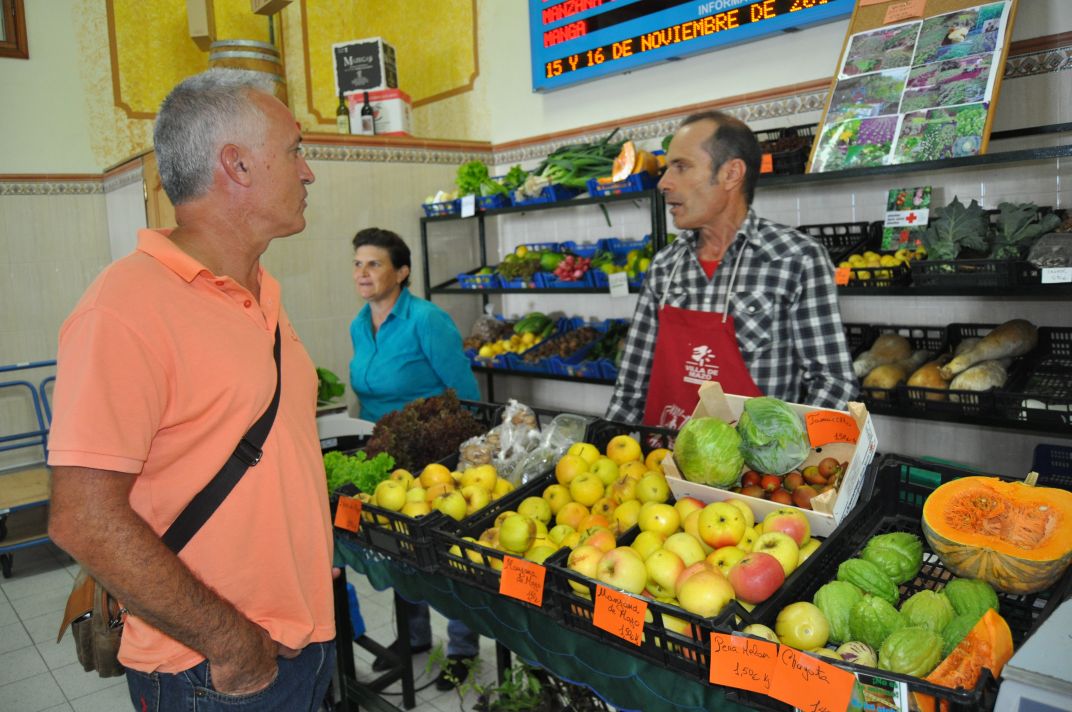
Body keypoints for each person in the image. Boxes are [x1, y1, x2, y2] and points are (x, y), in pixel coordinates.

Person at [47, 69, 335, 711]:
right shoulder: (125, 308)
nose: (308, 171)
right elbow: (82, 518)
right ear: (235, 165)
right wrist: (231, 645)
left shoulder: (263, 294)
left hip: (303, 641)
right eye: (293, 150)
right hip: (212, 669)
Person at [606, 111, 856, 427]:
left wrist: (788, 456)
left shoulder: (795, 259)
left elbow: (833, 384)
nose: (664, 183)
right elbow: (631, 390)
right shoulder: (665, 266)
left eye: (681, 167)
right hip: (661, 465)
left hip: (753, 472)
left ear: (731, 173)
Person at [347, 227, 481, 689]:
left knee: (446, 560)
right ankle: (415, 639)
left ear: (402, 272)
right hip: (383, 461)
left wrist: (457, 458)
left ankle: (462, 650)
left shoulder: (427, 320)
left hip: (433, 461)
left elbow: (464, 394)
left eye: (375, 263)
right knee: (397, 554)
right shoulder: (358, 324)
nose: (363, 273)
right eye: (358, 263)